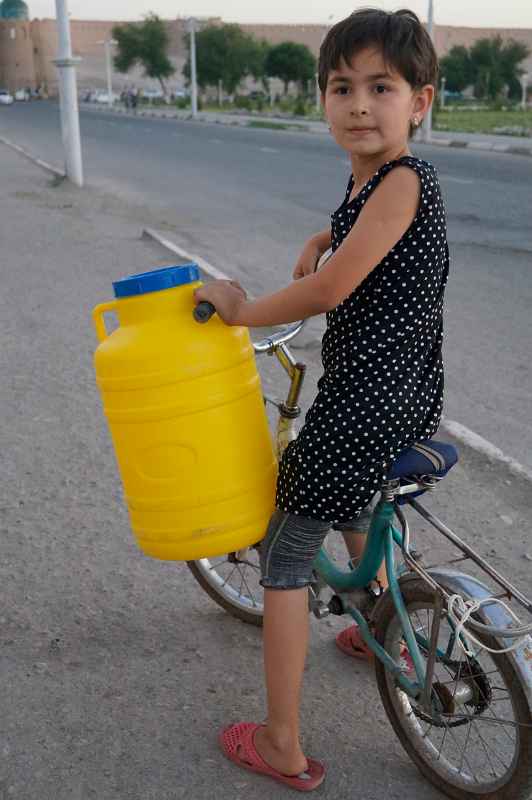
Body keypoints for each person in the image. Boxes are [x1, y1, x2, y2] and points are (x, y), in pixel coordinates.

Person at [194, 7, 448, 792]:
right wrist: (323, 234)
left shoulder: (400, 181)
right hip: (407, 398)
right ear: (324, 98)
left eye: (382, 86)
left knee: (283, 557)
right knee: (352, 494)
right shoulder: (374, 176)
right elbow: (357, 241)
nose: (360, 105)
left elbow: (335, 287)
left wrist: (244, 309)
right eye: (343, 87)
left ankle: (280, 743)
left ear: (421, 102)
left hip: (364, 405)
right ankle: (383, 619)